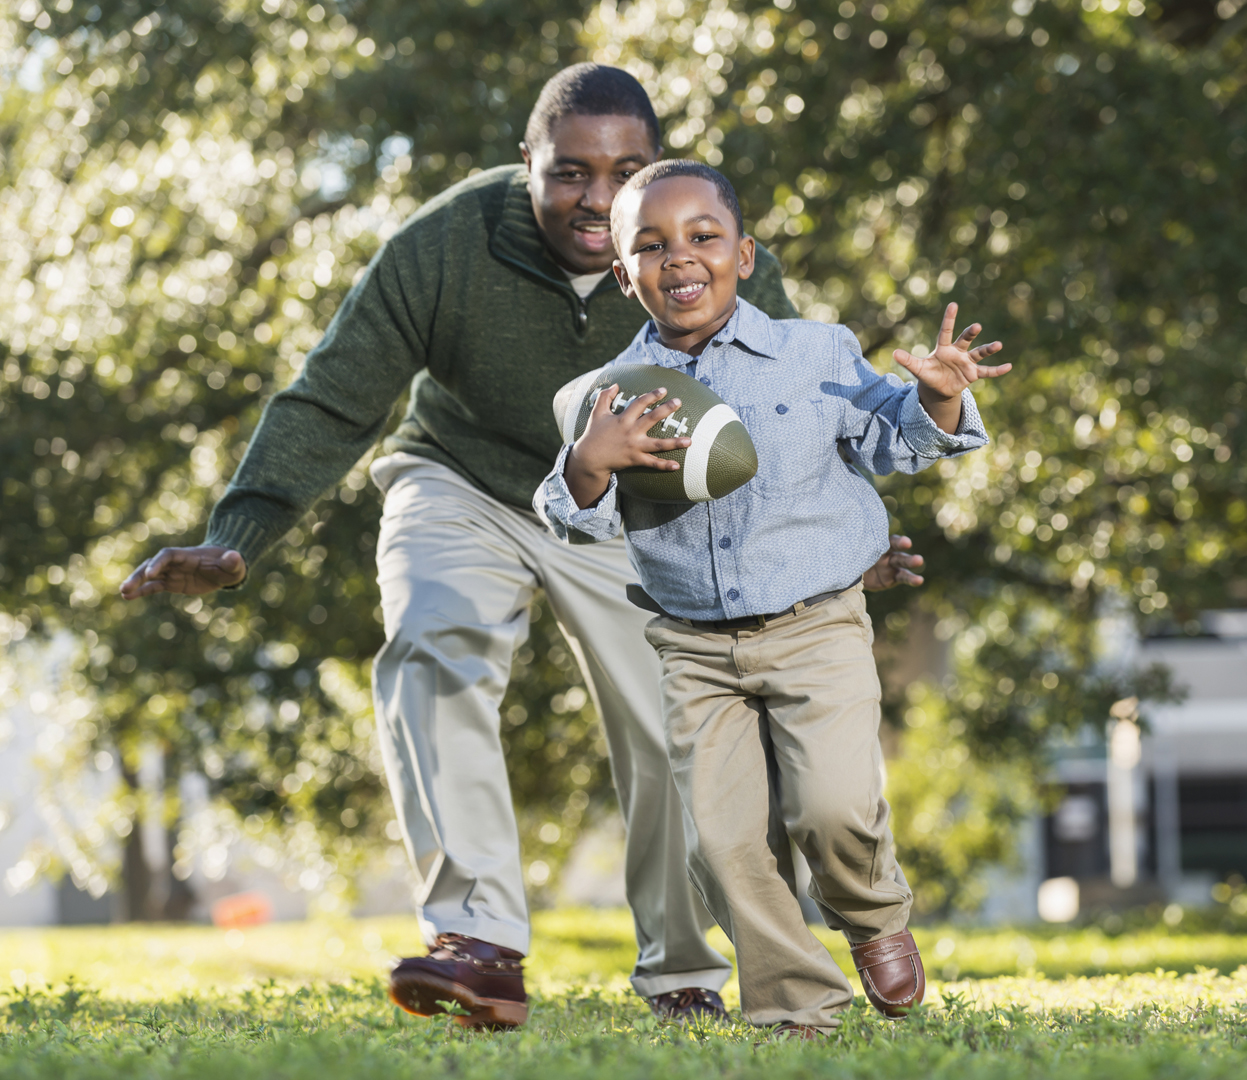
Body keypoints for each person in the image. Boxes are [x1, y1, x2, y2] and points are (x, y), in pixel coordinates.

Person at [119, 65, 923, 1029]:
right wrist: (238, 533)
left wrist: (836, 550)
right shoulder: (448, 243)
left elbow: (792, 416)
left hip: (635, 506)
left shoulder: (698, 243)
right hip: (459, 479)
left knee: (673, 734)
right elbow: (334, 394)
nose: (599, 196)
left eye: (624, 169)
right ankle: (479, 941)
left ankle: (683, 967)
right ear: (525, 167)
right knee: (433, 643)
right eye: (569, 173)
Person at [535, 161, 1010, 1036]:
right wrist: (591, 461)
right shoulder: (607, 398)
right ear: (622, 274)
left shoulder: (815, 351)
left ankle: (872, 918)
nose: (680, 257)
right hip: (693, 646)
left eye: (703, 237)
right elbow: (573, 520)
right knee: (724, 845)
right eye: (651, 244)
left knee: (831, 809)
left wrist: (938, 396)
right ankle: (798, 1006)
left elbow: (892, 441)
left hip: (818, 624)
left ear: (744, 255)